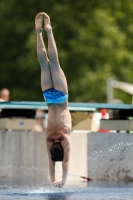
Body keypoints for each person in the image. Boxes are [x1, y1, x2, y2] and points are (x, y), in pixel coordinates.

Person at [35, 12, 72, 188]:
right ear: (51, 150)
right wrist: (53, 180)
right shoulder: (49, 139)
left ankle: (49, 31)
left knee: (54, 63)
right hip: (49, 98)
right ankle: (38, 33)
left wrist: (62, 181)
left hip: (61, 97)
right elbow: (52, 163)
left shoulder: (65, 137)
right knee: (44, 64)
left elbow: (64, 163)